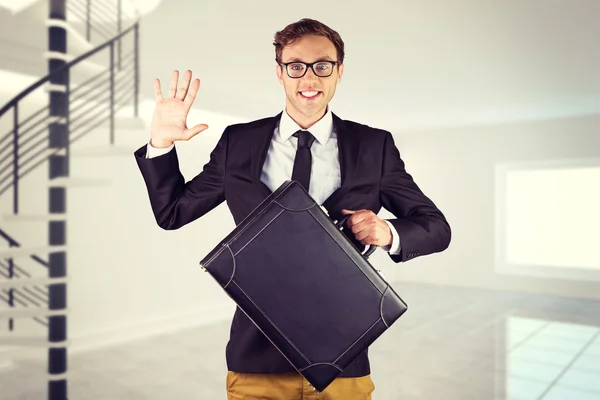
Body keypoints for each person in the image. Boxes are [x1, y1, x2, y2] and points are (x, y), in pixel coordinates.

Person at [134, 17, 451, 400]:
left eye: (323, 66)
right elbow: (173, 213)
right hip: (256, 357)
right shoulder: (239, 142)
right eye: (296, 66)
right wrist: (161, 144)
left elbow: (436, 228)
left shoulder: (374, 145)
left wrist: (389, 232)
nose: (309, 78)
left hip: (343, 359)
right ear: (280, 73)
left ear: (339, 72)